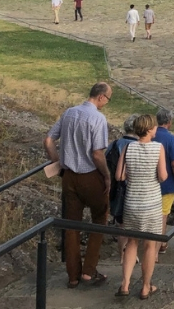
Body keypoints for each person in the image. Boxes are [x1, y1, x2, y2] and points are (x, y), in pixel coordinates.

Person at [43, 82, 112, 288]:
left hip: (69, 176)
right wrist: (107, 176)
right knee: (100, 217)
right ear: (101, 97)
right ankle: (89, 270)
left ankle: (72, 275)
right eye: (108, 99)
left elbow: (48, 140)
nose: (107, 103)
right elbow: (97, 154)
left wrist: (58, 163)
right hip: (90, 175)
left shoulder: (69, 113)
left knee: (71, 224)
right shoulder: (98, 118)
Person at [115, 114, 167, 299]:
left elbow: (119, 176)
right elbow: (162, 176)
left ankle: (125, 284)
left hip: (132, 202)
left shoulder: (128, 147)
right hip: (151, 203)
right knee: (150, 245)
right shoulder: (158, 148)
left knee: (131, 242)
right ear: (151, 129)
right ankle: (146, 286)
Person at [105, 114, 139, 262]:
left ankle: (122, 255)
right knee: (133, 226)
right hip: (133, 189)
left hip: (116, 190)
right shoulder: (137, 146)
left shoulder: (114, 144)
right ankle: (130, 254)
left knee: (121, 225)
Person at [154, 109, 174, 257]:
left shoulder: (150, 135)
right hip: (166, 183)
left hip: (150, 183)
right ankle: (160, 245)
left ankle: (154, 243)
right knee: (163, 216)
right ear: (169, 122)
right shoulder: (170, 139)